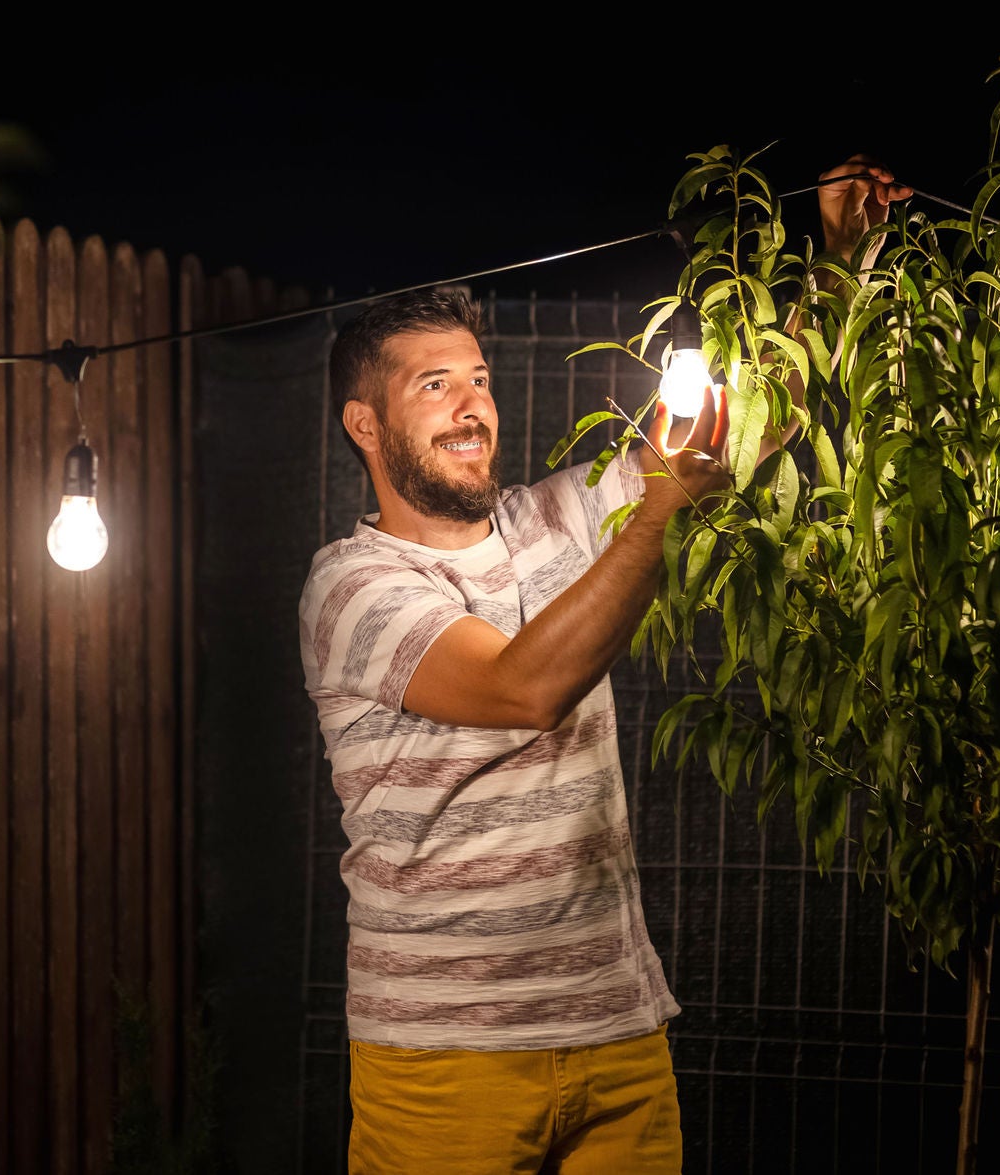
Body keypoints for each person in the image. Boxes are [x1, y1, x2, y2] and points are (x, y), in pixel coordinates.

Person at [297, 160, 909, 1173]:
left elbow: (745, 427)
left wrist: (840, 259)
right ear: (364, 424)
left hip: (618, 1030)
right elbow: (520, 688)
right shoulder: (351, 586)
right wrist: (660, 507)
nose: (469, 405)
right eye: (433, 385)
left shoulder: (558, 518)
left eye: (479, 379)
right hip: (445, 1057)